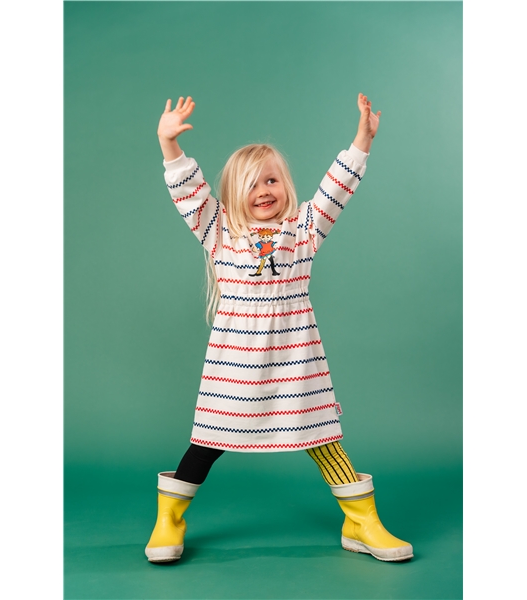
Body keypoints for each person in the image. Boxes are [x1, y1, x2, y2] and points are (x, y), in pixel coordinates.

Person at [145, 94, 413, 564]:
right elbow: (189, 192)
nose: (263, 190)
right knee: (207, 442)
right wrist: (170, 145)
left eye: (271, 179)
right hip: (235, 366)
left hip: (295, 359)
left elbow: (336, 189)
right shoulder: (218, 230)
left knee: (322, 437)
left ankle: (361, 522)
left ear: (284, 184)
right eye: (251, 184)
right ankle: (169, 519)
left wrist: (362, 141)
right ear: (233, 194)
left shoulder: (304, 228)